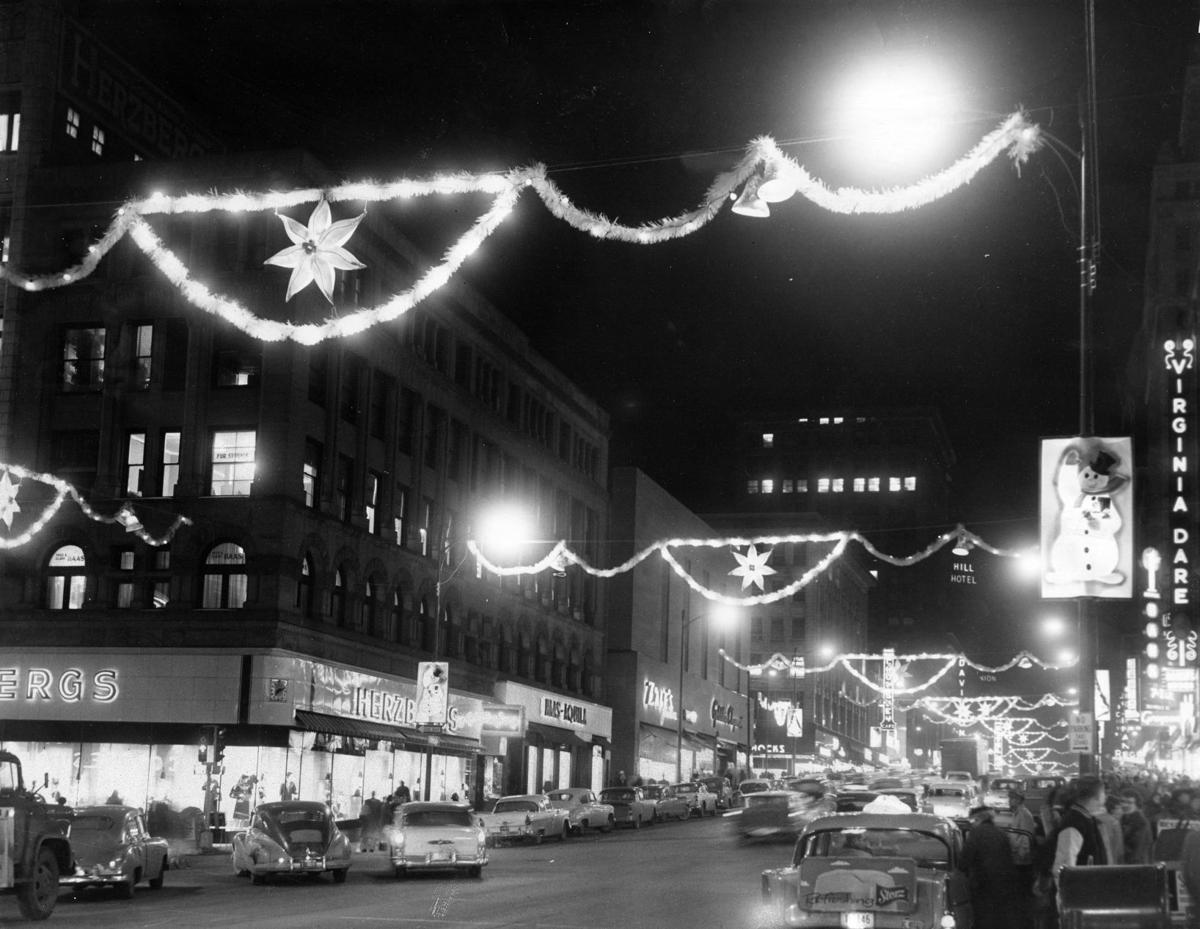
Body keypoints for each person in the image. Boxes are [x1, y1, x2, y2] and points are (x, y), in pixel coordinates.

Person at [961, 805, 1022, 929]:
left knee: (983, 916)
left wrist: (961, 871)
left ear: (978, 819)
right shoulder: (1001, 833)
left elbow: (965, 859)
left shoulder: (976, 833)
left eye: (972, 821)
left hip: (983, 882)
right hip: (1003, 883)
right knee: (998, 915)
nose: (971, 824)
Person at [1052, 778, 1108, 874]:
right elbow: (1065, 865)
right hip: (1082, 886)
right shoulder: (1074, 823)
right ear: (1095, 797)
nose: (1105, 796)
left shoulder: (1087, 818)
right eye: (1103, 792)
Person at [1120, 788, 1154, 865]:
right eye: (1122, 801)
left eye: (1129, 802)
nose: (1125, 805)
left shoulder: (1140, 822)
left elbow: (1139, 848)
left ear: (1137, 805)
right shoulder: (1124, 818)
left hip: (1135, 864)